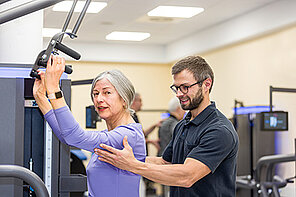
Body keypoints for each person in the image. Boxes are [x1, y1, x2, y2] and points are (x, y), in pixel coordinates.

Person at [94, 55, 239, 197]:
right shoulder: (183, 124)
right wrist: (120, 158)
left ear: (206, 84)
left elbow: (187, 176)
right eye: (176, 88)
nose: (179, 94)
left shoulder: (219, 130)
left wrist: (132, 165)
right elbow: (165, 162)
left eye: (185, 87)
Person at [33, 55, 146, 197]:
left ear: (124, 99)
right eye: (95, 93)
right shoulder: (111, 134)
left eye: (107, 93)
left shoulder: (128, 135)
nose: (99, 99)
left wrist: (54, 90)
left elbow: (75, 136)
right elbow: (66, 136)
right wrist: (41, 98)